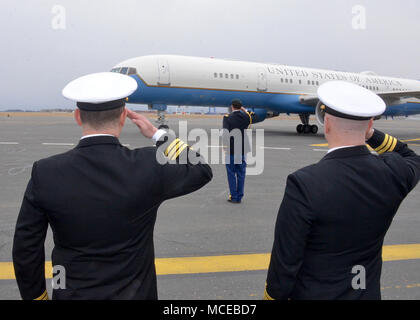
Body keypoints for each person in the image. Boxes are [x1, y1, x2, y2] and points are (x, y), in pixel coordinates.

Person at [12, 72, 213, 300]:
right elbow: (201, 169)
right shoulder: (148, 164)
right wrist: (159, 135)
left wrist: (37, 297)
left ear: (78, 116)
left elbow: (25, 248)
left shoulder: (46, 172)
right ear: (122, 117)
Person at [264, 80, 420, 300]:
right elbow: (411, 157)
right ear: (369, 126)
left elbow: (285, 263)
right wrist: (372, 135)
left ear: (326, 124)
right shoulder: (393, 173)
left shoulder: (304, 183)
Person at [222, 99, 257, 203]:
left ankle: (233, 196)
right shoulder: (246, 117)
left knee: (231, 173)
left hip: (232, 149)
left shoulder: (227, 118)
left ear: (232, 106)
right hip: (243, 149)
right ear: (240, 107)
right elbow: (254, 116)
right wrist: (245, 110)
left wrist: (225, 146)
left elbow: (225, 133)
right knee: (241, 173)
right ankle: (240, 196)